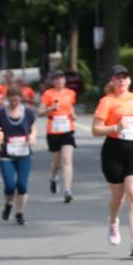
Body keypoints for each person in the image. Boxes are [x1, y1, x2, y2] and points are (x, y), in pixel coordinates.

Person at [92, 64, 133, 256]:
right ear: (112, 81)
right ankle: (113, 221)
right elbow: (96, 130)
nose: (122, 80)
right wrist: (116, 127)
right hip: (113, 150)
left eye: (125, 77)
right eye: (118, 77)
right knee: (118, 197)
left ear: (129, 80)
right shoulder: (106, 101)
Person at [0, 86, 37, 225]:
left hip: (24, 153)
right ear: (7, 99)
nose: (14, 103)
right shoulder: (1, 113)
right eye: (11, 101)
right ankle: (8, 204)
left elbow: (33, 128)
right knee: (9, 185)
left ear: (20, 99)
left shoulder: (28, 113)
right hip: (6, 153)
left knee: (22, 185)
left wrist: (32, 137)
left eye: (16, 100)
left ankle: (19, 213)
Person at [38, 70, 77, 202]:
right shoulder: (48, 94)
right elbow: (40, 112)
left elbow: (70, 107)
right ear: (53, 81)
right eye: (57, 79)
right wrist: (50, 109)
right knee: (57, 162)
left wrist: (73, 114)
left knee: (67, 159)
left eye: (62, 78)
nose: (60, 81)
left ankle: (67, 190)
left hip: (67, 130)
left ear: (64, 80)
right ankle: (53, 177)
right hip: (53, 132)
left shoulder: (70, 93)